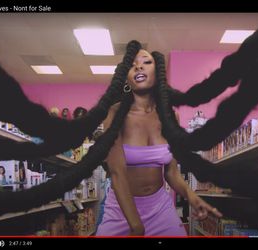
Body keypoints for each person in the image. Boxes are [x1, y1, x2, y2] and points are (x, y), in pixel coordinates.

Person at [95, 45, 222, 236]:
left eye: (147, 62)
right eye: (133, 65)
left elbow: (171, 173)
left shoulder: (170, 117)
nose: (139, 67)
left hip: (159, 208)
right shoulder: (115, 114)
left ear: (158, 74)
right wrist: (136, 226)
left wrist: (192, 197)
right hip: (121, 208)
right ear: (127, 77)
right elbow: (117, 173)